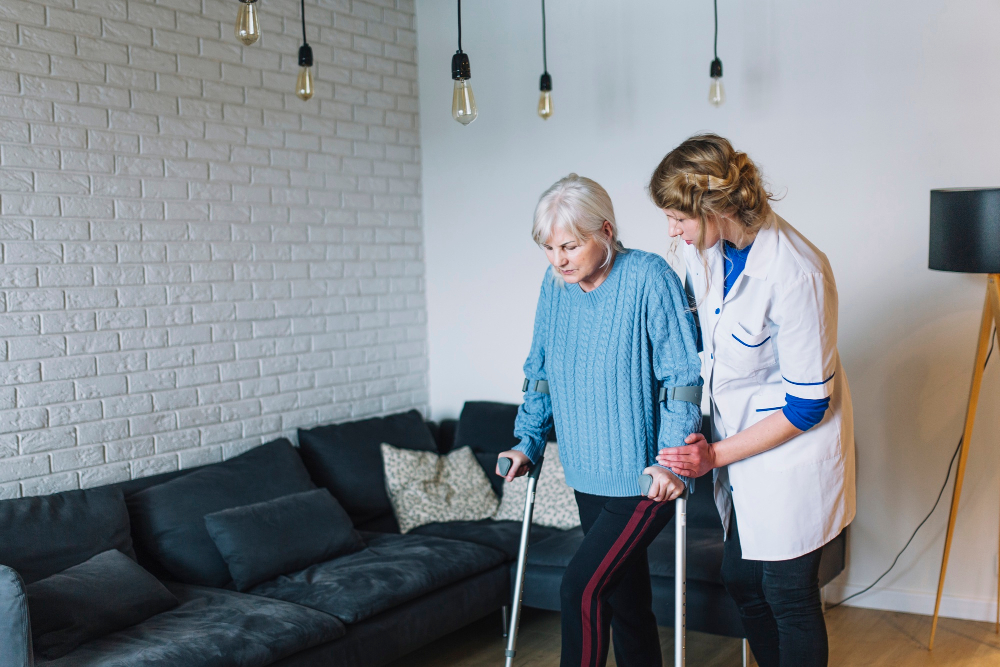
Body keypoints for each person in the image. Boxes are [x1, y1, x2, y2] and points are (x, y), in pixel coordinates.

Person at [648, 134, 856, 667]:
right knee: (741, 580)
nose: (672, 230)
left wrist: (714, 455)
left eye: (678, 217)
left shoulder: (796, 270)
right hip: (744, 452)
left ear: (713, 206)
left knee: (788, 594)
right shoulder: (709, 252)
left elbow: (808, 405)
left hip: (792, 453)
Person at [496, 173, 703, 667]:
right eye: (549, 247)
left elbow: (682, 376)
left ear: (605, 230)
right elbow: (541, 372)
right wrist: (527, 439)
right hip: (586, 473)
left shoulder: (649, 276)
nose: (559, 259)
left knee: (579, 590)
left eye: (569, 245)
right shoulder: (554, 286)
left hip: (645, 479)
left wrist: (671, 463)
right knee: (624, 601)